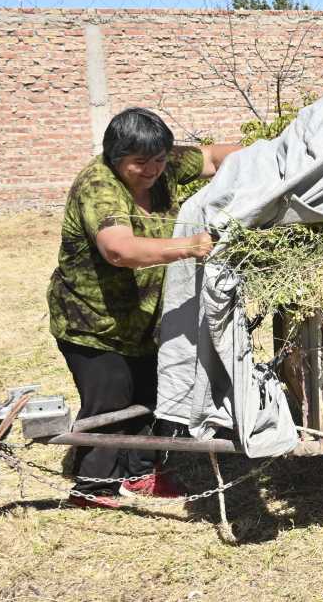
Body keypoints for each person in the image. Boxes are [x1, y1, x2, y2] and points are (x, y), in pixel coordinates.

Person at [47, 107, 241, 508]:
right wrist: (190, 246)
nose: (152, 170)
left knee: (153, 394)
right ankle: (93, 487)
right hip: (94, 323)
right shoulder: (98, 187)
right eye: (140, 162)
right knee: (110, 403)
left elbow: (213, 156)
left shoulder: (164, 164)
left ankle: (141, 473)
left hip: (148, 317)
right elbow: (119, 249)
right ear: (116, 156)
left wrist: (268, 157)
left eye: (159, 159)